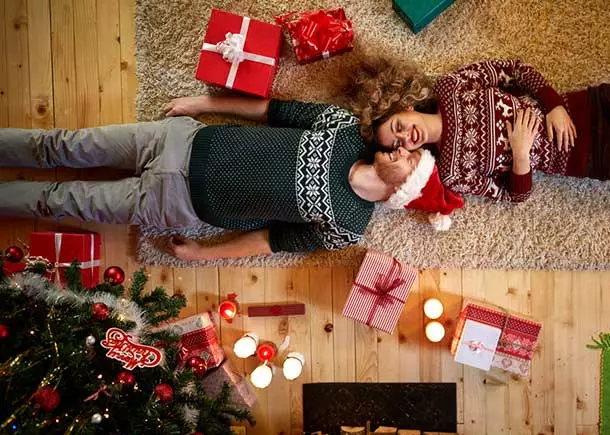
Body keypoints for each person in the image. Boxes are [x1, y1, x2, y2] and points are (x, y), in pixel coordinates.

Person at [0, 95, 463, 260]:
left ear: (404, 189)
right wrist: (201, 104)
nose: (404, 146)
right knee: (60, 145)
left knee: (58, 201)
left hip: (176, 203)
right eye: (409, 146)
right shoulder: (341, 126)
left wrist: (203, 254)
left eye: (411, 158)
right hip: (176, 141)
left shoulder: (348, 226)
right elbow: (271, 110)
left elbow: (269, 242)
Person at [346, 57, 610, 210]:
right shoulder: (452, 172)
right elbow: (513, 196)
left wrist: (554, 104)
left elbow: (512, 68)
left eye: (397, 126)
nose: (405, 137)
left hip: (592, 106)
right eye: (395, 145)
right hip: (591, 157)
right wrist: (521, 156)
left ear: (406, 107)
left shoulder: (450, 89)